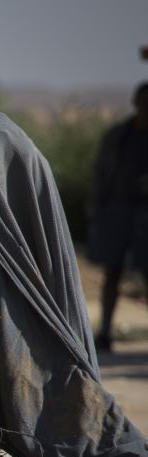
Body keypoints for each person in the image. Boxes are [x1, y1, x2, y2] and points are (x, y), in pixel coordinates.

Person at [90, 82, 148, 352]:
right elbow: (100, 172)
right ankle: (104, 331)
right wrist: (96, 208)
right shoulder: (118, 136)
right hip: (118, 210)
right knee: (112, 271)